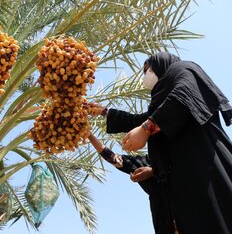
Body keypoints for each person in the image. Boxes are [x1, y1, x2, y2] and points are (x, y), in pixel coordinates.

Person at [90, 52, 232, 234]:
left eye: (146, 69)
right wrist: (104, 112)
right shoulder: (160, 106)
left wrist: (147, 128)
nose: (144, 76)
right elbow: (141, 120)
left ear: (160, 64)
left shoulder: (184, 69)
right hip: (184, 189)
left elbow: (182, 96)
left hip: (206, 167)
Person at [87, 132, 177, 234]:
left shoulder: (188, 159)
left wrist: (152, 171)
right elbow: (113, 158)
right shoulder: (146, 162)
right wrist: (89, 135)